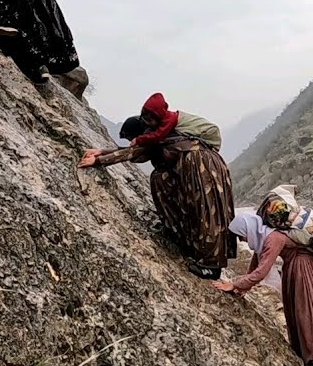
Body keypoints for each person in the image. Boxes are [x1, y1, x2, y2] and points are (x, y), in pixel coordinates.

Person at [78, 105, 236, 279]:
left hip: (203, 167)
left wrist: (98, 160)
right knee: (160, 178)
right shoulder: (158, 137)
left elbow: (131, 153)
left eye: (133, 138)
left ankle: (211, 265)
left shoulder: (158, 137)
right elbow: (132, 152)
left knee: (207, 211)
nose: (132, 142)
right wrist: (101, 152)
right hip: (194, 169)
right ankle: (186, 240)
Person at [214, 212, 313, 366]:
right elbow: (257, 264)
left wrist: (234, 284)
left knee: (307, 314)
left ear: (247, 229)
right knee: (303, 313)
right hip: (299, 269)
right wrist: (242, 288)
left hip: (304, 270)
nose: (241, 240)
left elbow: (261, 272)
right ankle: (310, 357)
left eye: (241, 236)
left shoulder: (273, 238)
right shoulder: (266, 237)